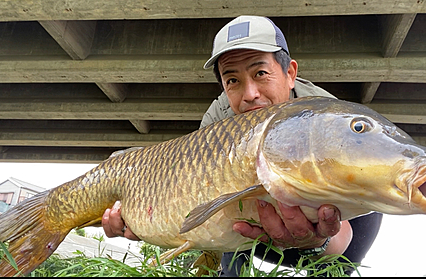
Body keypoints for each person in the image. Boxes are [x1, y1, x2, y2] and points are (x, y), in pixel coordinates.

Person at [102, 15, 383, 276]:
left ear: (290, 73)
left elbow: (342, 226)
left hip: (343, 216)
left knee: (339, 260)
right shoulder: (217, 118)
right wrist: (149, 218)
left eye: (260, 73)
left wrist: (319, 241)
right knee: (227, 225)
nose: (250, 95)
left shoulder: (329, 118)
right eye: (233, 80)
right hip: (252, 210)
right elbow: (198, 193)